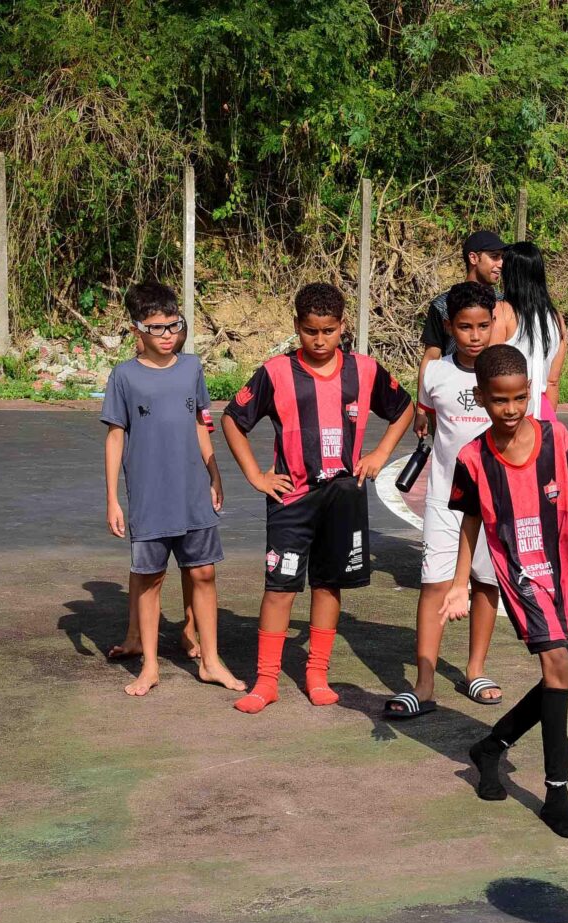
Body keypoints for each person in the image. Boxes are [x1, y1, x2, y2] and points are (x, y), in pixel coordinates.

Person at [441, 344, 568, 839]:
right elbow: (470, 524)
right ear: (481, 397)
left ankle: (490, 747)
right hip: (520, 575)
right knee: (557, 668)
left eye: (519, 398)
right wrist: (458, 584)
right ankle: (557, 797)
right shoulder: (473, 459)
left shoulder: (557, 437)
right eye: (500, 400)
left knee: (565, 678)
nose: (511, 409)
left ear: (530, 393)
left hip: (564, 572)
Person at [223, 283, 413, 713]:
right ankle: (266, 681)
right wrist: (256, 475)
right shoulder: (276, 372)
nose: (320, 340)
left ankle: (317, 674)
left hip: (343, 495)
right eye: (311, 331)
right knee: (280, 587)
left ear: (343, 326)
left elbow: (404, 407)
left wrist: (380, 454)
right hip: (292, 499)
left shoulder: (364, 370)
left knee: (328, 584)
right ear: (297, 326)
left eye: (329, 330)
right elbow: (233, 419)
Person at [101, 282, 241, 697]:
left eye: (174, 326)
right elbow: (115, 437)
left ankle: (211, 662)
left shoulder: (192, 368)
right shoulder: (123, 376)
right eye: (157, 328)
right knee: (150, 579)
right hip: (149, 498)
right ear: (136, 330)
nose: (167, 335)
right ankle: (149, 666)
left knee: (204, 572)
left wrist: (214, 472)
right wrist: (112, 499)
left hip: (192, 492)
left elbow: (201, 422)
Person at [388, 282, 505, 718]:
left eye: (483, 326)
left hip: (495, 503)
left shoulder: (507, 368)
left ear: (494, 323)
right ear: (449, 326)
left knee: (486, 583)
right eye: (465, 327)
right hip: (444, 499)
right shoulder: (434, 373)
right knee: (434, 585)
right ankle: (424, 684)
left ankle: (476, 670)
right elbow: (432, 424)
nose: (475, 335)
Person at [414, 231, 505, 438]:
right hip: (449, 395)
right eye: (494, 257)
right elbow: (431, 356)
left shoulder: (505, 304)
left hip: (492, 392)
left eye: (501, 257)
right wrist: (421, 409)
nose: (500, 263)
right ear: (473, 258)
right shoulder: (442, 305)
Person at [493, 241, 566, 420]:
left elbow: (491, 369)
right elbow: (552, 382)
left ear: (510, 274)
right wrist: (547, 423)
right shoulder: (556, 318)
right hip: (544, 408)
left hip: (511, 410)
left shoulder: (502, 311)